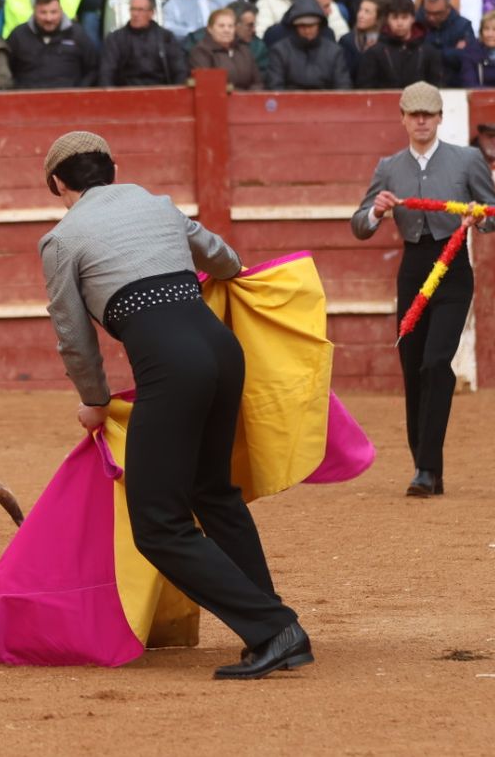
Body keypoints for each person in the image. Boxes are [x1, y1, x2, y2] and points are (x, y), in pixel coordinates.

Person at [36, 130, 312, 680]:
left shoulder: (62, 239)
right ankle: (274, 630)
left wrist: (94, 401)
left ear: (57, 184)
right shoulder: (156, 205)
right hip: (221, 351)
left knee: (158, 523)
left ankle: (274, 627)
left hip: (172, 366)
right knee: (213, 493)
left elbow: (74, 336)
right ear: (113, 168)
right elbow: (225, 259)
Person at [351, 81, 495, 497]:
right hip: (413, 269)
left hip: (452, 269)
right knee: (412, 367)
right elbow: (359, 224)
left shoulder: (468, 160)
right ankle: (426, 466)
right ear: (402, 118)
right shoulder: (388, 167)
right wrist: (376, 213)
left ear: (439, 118)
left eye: (429, 114)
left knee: (436, 363)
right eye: (414, 114)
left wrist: (481, 215)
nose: (421, 121)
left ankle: (425, 466)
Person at [6, 0, 100, 88]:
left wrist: (78, 93)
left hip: (69, 100)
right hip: (26, 100)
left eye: (53, 12)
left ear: (61, 11)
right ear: (34, 11)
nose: (49, 18)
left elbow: (93, 69)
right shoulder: (18, 35)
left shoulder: (77, 34)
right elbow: (6, 70)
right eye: (43, 12)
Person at [356, 0, 445, 88]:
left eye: (404, 17)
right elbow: (366, 89)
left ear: (413, 18)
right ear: (387, 20)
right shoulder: (374, 53)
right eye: (394, 18)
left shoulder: (428, 52)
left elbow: (437, 87)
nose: (399, 23)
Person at [100, 0, 187, 87]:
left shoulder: (166, 38)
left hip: (160, 93)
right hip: (125, 94)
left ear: (151, 13)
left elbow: (179, 71)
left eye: (140, 10)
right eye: (133, 9)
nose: (135, 14)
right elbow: (106, 73)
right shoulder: (115, 39)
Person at [266, 0, 350, 90]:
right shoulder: (279, 51)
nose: (307, 30)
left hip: (327, 103)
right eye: (302, 26)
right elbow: (275, 87)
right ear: (295, 26)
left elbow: (343, 87)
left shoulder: (334, 52)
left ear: (319, 25)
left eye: (311, 25)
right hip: (290, 103)